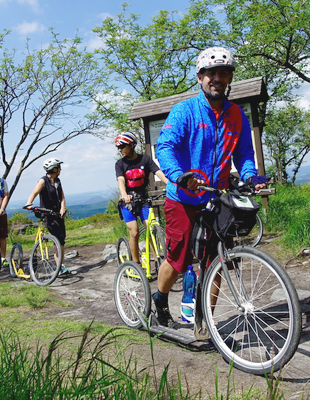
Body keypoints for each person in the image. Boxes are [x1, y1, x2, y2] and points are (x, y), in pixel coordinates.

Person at [154, 47, 268, 327]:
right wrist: (179, 175)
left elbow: (243, 154)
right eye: (211, 73)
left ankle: (205, 320)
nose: (217, 78)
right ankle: (159, 298)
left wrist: (250, 176)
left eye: (224, 73)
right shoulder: (185, 111)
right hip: (182, 196)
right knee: (178, 260)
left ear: (229, 78)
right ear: (200, 78)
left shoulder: (236, 114)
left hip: (216, 198)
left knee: (217, 259)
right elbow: (165, 147)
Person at [115, 131, 168, 265]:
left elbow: (158, 172)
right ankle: (136, 264)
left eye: (122, 146)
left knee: (150, 229)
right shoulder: (120, 164)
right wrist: (124, 195)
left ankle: (157, 261)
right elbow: (121, 181)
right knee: (134, 232)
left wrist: (170, 184)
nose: (120, 150)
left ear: (131, 145)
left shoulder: (145, 160)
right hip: (127, 203)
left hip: (143, 200)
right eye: (118, 148)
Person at [24, 157, 70, 275]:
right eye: (59, 167)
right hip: (47, 214)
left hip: (58, 214)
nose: (60, 169)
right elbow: (34, 193)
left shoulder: (58, 181)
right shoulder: (43, 181)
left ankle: (61, 265)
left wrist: (62, 207)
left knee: (62, 240)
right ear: (54, 169)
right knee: (58, 238)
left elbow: (62, 197)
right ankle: (59, 267)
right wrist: (29, 203)